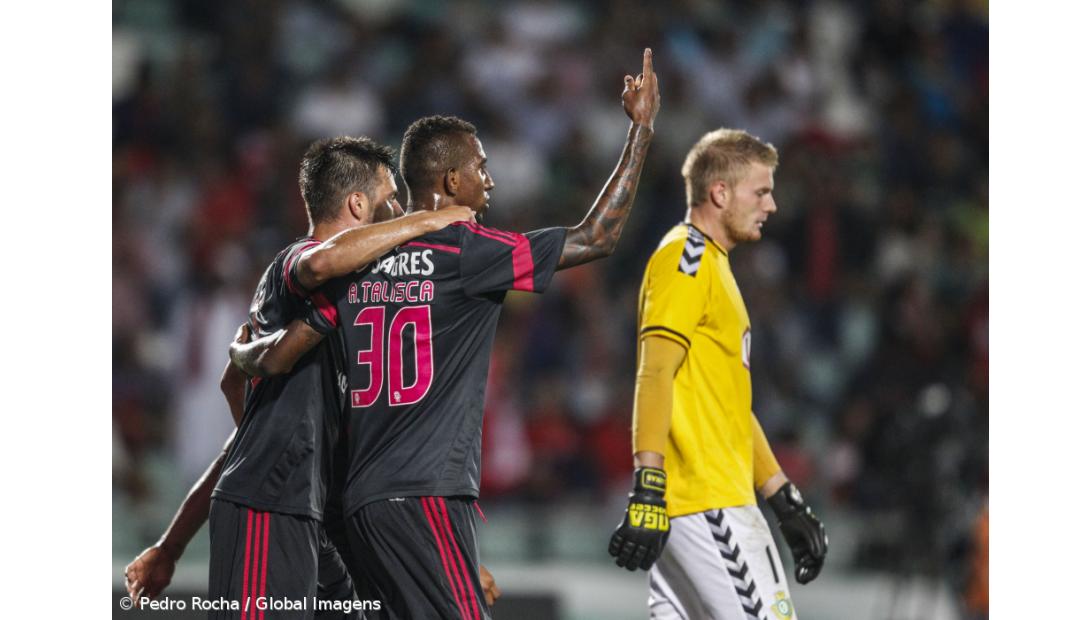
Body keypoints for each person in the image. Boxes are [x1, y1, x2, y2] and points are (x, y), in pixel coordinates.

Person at [230, 48, 660, 620]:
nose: (490, 179)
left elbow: (282, 357)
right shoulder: (466, 251)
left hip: (357, 506)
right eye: (481, 167)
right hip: (425, 490)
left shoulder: (354, 265)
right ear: (451, 179)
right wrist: (641, 132)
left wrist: (244, 353)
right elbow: (596, 237)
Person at [123, 136, 475, 619]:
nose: (399, 208)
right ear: (357, 203)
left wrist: (171, 546)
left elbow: (240, 408)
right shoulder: (296, 263)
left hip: (312, 511)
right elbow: (322, 261)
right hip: (270, 509)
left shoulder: (353, 302)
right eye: (390, 197)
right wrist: (431, 220)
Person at [607, 129, 828, 619]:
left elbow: (730, 408)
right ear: (720, 192)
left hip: (710, 501)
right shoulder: (685, 259)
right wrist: (648, 484)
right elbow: (654, 373)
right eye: (762, 191)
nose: (772, 205)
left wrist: (783, 497)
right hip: (706, 503)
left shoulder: (715, 265)